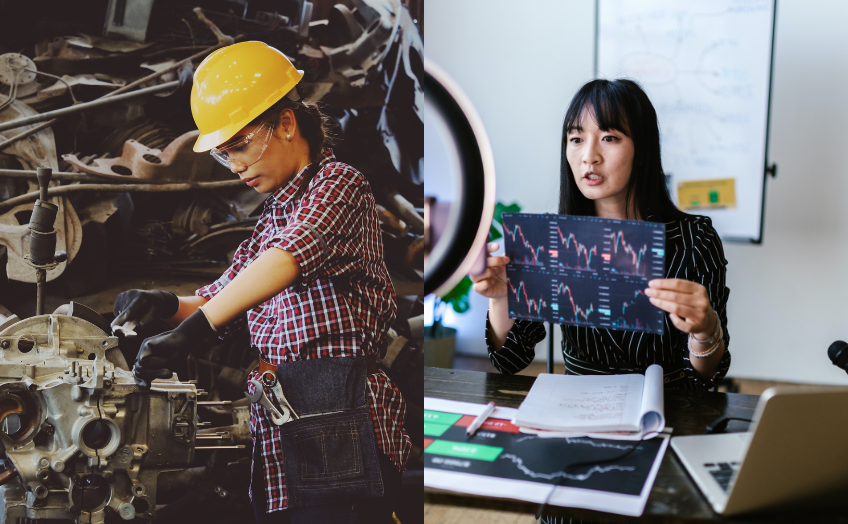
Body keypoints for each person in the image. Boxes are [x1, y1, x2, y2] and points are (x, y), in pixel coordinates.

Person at [110, 41, 410, 524]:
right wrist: (165, 304)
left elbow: (288, 258)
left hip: (341, 414)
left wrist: (195, 331)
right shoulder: (273, 216)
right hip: (284, 414)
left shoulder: (340, 185)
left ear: (287, 124)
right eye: (225, 154)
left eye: (242, 145)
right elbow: (221, 295)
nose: (235, 166)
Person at [471, 78, 730, 391]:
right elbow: (509, 361)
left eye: (609, 137)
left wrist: (706, 332)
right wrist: (501, 300)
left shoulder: (694, 238)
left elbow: (706, 377)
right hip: (577, 411)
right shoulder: (552, 238)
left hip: (665, 411)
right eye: (576, 138)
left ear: (643, 149)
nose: (588, 156)